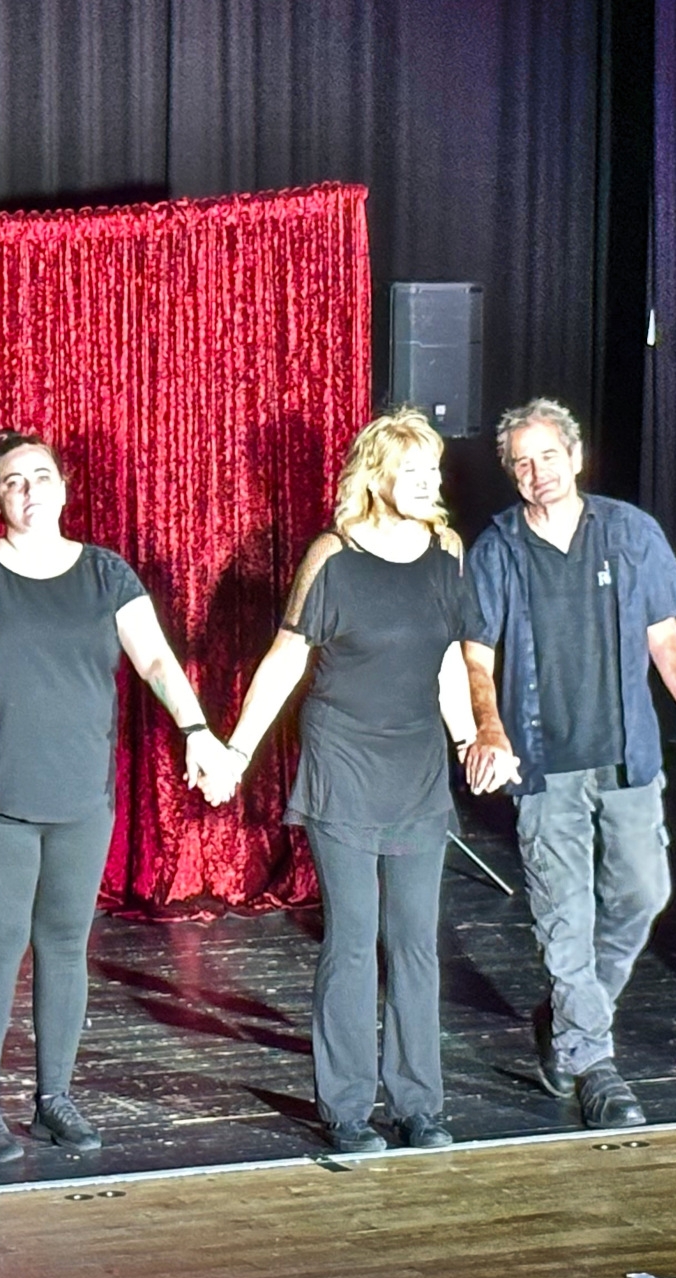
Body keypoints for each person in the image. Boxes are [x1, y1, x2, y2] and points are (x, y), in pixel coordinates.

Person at [0, 428, 228, 1162]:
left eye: (41, 477)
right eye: (13, 482)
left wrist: (197, 730)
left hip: (80, 792)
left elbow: (157, 661)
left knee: (65, 945)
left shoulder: (106, 574)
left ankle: (53, 1100)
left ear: (65, 489)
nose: (30, 491)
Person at [204, 409, 515, 1154]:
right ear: (376, 476)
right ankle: (345, 1108)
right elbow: (285, 661)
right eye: (411, 472)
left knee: (414, 939)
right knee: (352, 936)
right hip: (342, 760)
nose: (427, 485)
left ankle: (419, 1104)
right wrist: (237, 750)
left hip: (414, 764)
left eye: (432, 472)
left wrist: (476, 737)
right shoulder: (333, 556)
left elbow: (455, 662)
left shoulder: (446, 553)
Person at [461, 398, 676, 1130]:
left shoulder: (630, 533)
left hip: (628, 760)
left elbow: (667, 642)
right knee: (564, 920)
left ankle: (572, 1020)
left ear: (575, 458)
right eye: (522, 461)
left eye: (548, 456)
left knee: (643, 894)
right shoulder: (498, 551)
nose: (537, 472)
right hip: (544, 770)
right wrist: (489, 729)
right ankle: (596, 1067)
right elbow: (476, 654)